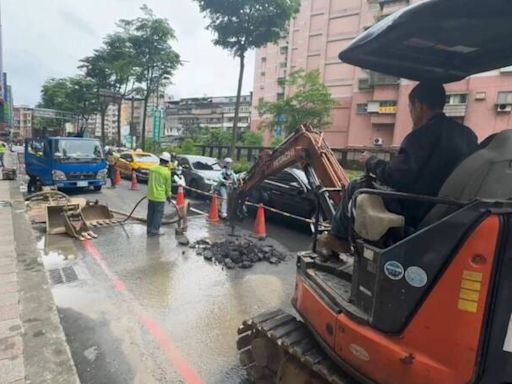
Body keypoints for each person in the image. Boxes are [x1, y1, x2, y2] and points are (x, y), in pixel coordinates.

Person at [319, 82, 479, 256]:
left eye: (410, 108)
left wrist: (370, 161)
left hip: (415, 207)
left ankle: (337, 238)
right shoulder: (468, 136)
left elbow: (395, 175)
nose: (411, 114)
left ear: (419, 106)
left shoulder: (421, 135)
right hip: (449, 208)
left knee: (356, 186)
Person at [147, 152, 172, 237]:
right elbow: (167, 186)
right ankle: (154, 232)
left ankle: (149, 230)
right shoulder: (166, 172)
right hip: (160, 197)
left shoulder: (152, 169)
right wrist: (168, 195)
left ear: (160, 159)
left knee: (150, 213)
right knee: (158, 215)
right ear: (167, 162)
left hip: (150, 195)